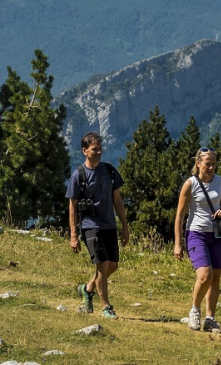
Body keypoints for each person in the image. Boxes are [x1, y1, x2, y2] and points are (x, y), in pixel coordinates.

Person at [67, 132, 130, 319]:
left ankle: (87, 289)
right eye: (94, 149)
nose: (99, 152)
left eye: (100, 149)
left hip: (109, 225)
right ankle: (106, 307)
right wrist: (73, 235)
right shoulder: (78, 175)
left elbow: (117, 199)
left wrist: (124, 226)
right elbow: (72, 206)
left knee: (113, 265)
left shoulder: (110, 171)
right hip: (90, 225)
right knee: (102, 265)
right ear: (84, 151)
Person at [173, 147, 221, 332]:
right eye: (207, 164)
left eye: (214, 164)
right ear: (198, 163)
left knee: (216, 277)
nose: (211, 167)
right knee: (205, 276)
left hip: (216, 234)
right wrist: (178, 244)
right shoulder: (191, 184)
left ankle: (210, 318)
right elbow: (180, 215)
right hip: (196, 233)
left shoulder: (220, 181)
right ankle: (195, 311)